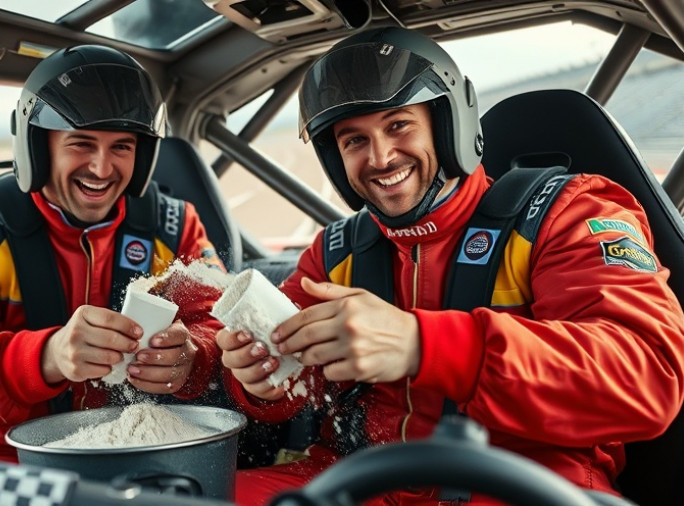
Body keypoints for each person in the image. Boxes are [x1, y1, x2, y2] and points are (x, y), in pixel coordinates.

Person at [218, 26, 684, 504]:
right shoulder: (336, 252)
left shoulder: (570, 215)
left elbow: (646, 377)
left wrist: (424, 345)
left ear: (449, 124)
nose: (380, 157)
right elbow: (292, 379)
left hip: (522, 481)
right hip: (357, 478)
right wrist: (259, 382)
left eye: (399, 125)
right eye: (354, 140)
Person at [0, 45, 226, 462]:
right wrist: (45, 358)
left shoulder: (175, 227)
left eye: (122, 146)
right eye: (81, 144)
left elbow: (217, 330)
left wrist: (192, 358)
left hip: (144, 455)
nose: (103, 169)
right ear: (39, 147)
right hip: (10, 465)